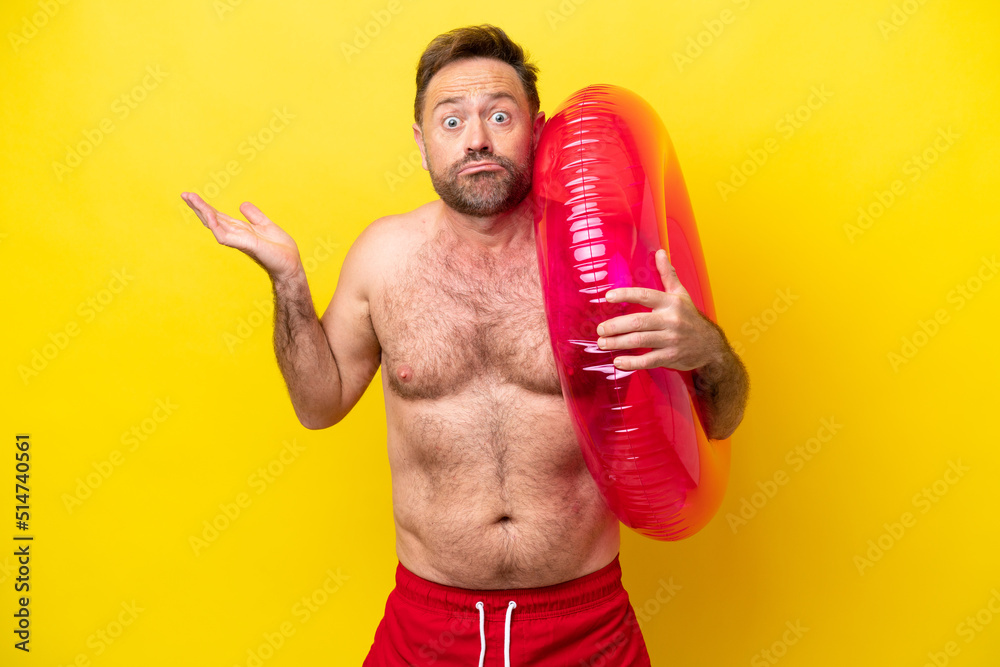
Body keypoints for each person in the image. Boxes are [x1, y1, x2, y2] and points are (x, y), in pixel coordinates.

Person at [182, 24, 748, 667]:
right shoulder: (383, 257)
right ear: (423, 144)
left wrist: (707, 348)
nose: (476, 138)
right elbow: (319, 404)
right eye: (451, 122)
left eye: (499, 115)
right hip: (428, 629)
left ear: (537, 129)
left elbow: (721, 419)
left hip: (585, 627)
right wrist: (287, 282)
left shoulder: (607, 261)